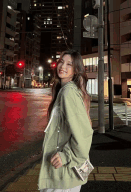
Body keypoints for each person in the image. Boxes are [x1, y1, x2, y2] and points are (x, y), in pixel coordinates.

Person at [38, 49, 94, 192]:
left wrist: (66, 156)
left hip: (64, 173)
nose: (63, 67)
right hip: (62, 173)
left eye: (69, 64)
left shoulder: (68, 92)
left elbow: (85, 133)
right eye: (61, 62)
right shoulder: (65, 90)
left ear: (76, 70)